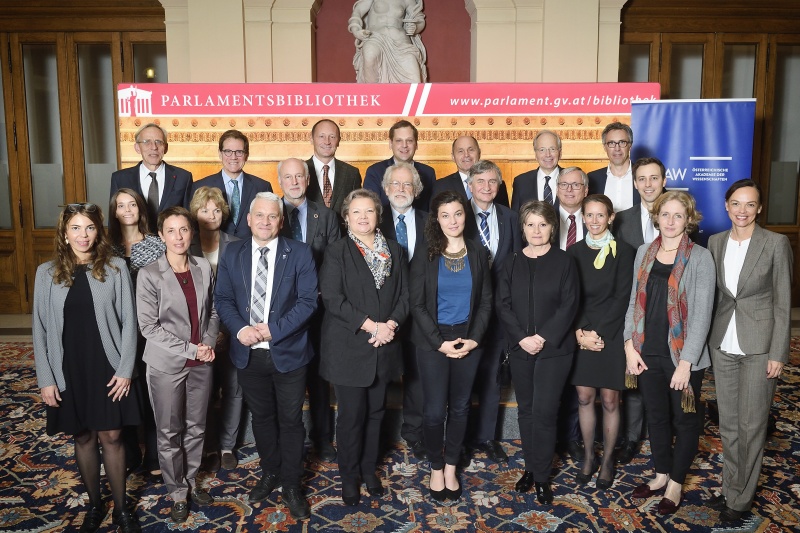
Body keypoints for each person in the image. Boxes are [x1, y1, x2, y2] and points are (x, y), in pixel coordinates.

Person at [33, 203, 141, 532]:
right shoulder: (46, 273)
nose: (83, 235)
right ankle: (95, 505)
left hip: (107, 365)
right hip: (68, 367)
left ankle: (122, 508)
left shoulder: (117, 268)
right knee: (82, 436)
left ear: (98, 231)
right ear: (65, 234)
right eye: (76, 228)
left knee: (112, 435)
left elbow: (129, 325)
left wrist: (125, 370)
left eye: (90, 228)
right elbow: (39, 329)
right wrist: (46, 378)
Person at [214, 192, 318, 521]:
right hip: (247, 353)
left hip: (288, 352)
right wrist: (239, 330)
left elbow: (307, 302)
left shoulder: (300, 252)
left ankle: (291, 484)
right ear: (248, 219)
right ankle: (270, 472)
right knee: (262, 419)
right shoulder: (233, 252)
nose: (265, 221)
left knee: (290, 421)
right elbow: (224, 298)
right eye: (259, 215)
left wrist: (274, 329)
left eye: (272, 216)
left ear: (281, 221)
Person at [706, 179, 792, 522]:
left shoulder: (775, 243)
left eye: (750, 204)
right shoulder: (715, 242)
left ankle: (741, 501)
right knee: (728, 424)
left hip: (760, 347)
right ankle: (730, 490)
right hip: (723, 344)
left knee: (752, 425)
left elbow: (784, 302)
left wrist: (778, 353)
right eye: (736, 204)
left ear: (759, 209)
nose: (743, 210)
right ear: (726, 206)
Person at [624, 191, 715, 515]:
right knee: (657, 416)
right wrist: (628, 347)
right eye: (666, 215)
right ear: (657, 217)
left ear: (689, 219)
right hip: (647, 353)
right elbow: (635, 302)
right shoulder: (645, 253)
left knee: (685, 420)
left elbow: (702, 315)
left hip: (682, 358)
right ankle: (661, 473)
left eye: (679, 215)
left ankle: (676, 482)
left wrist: (685, 365)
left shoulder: (700, 258)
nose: (671, 221)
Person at [320, 188, 409, 505]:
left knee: (376, 414)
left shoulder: (396, 251)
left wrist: (391, 325)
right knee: (351, 417)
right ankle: (349, 476)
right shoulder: (337, 251)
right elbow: (332, 299)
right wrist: (372, 326)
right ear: (346, 218)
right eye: (356, 212)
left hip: (384, 347)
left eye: (369, 211)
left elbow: (405, 296)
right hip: (350, 348)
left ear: (378, 216)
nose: (363, 217)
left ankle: (369, 470)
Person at [136, 206, 219, 523]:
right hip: (166, 365)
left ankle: (191, 481)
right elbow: (148, 327)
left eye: (184, 229)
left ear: (192, 232)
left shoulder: (202, 266)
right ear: (161, 235)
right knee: (170, 431)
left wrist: (208, 345)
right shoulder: (149, 274)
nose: (178, 236)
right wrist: (190, 349)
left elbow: (213, 312)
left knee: (197, 427)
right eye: (171, 230)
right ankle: (177, 493)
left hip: (202, 362)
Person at [410, 190, 492, 501]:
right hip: (433, 340)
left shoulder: (478, 252)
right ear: (436, 219)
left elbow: (486, 302)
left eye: (457, 213)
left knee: (459, 407)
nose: (452, 220)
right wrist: (439, 344)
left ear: (465, 215)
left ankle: (450, 466)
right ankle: (434, 465)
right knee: (433, 411)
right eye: (445, 215)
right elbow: (417, 305)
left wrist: (475, 339)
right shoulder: (425, 253)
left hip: (469, 338)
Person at [495, 201, 579, 505]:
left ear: (552, 227)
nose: (536, 230)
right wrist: (522, 338)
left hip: (554, 350)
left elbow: (569, 305)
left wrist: (542, 337)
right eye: (530, 224)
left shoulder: (564, 261)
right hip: (520, 349)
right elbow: (502, 305)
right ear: (523, 228)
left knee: (544, 412)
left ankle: (542, 477)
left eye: (542, 224)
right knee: (527, 411)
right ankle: (530, 468)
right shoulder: (511, 261)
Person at [567, 194, 635, 490]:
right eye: (589, 215)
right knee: (583, 398)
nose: (594, 221)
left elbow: (623, 298)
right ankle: (588, 458)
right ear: (583, 218)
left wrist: (600, 335)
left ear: (611, 218)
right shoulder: (574, 252)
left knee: (609, 399)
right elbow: (571, 297)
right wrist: (582, 333)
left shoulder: (625, 251)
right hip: (583, 335)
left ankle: (607, 460)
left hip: (611, 334)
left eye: (600, 215)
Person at [277, 157, 341, 463]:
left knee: (318, 376)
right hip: (278, 312)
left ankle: (322, 440)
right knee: (285, 376)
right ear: (280, 182)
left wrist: (319, 293)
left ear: (308, 179)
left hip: (316, 307)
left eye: (298, 176)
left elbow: (335, 259)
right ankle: (286, 441)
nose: (294, 182)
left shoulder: (325, 215)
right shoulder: (268, 213)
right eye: (287, 177)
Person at [463, 160, 522, 464]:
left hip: (499, 311)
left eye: (492, 182)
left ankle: (487, 437)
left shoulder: (512, 218)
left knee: (492, 376)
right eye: (480, 181)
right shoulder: (456, 215)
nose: (486, 187)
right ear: (469, 185)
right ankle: (459, 438)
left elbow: (514, 264)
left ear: (499, 186)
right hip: (464, 312)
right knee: (461, 376)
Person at [612, 156, 667, 464]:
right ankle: (632, 437)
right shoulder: (623, 220)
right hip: (634, 309)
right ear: (635, 184)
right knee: (633, 375)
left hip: (670, 313)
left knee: (666, 373)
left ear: (664, 180)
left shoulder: (679, 215)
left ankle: (664, 433)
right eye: (642, 179)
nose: (648, 184)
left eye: (654, 178)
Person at [108, 188, 165, 481]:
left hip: (149, 329)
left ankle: (154, 454)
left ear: (140, 209)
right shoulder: (106, 246)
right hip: (115, 331)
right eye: (121, 205)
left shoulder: (155, 245)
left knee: (152, 393)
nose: (127, 209)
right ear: (114, 211)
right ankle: (130, 453)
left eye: (132, 204)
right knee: (123, 391)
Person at [188, 187, 242, 473]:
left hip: (233, 329)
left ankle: (227, 446)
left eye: (217, 210)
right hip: (197, 333)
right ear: (195, 213)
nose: (211, 215)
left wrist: (225, 328)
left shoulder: (236, 244)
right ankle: (207, 445)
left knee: (233, 388)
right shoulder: (186, 243)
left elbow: (240, 292)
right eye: (205, 210)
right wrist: (209, 333)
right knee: (203, 391)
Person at [379, 162, 428, 460]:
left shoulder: (431, 221)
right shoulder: (374, 220)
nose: (401, 189)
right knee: (381, 371)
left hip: (422, 311)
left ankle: (414, 431)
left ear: (417, 190)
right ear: (385, 190)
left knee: (418, 375)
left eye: (407, 185)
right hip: (383, 313)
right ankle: (380, 433)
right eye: (395, 185)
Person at [190, 129, 273, 239]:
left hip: (251, 251)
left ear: (246, 155)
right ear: (220, 154)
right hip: (213, 250)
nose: (233, 157)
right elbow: (192, 225)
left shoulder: (262, 186)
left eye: (239, 152)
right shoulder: (200, 186)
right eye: (228, 151)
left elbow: (271, 223)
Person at [110, 123, 192, 233]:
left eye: (158, 142)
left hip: (172, 246)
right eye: (146, 142)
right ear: (137, 148)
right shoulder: (120, 178)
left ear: (166, 148)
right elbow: (114, 220)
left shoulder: (183, 177)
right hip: (134, 246)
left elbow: (189, 220)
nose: (153, 147)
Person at [349, 0, 427, 83]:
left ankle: (410, 95)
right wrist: (356, 30)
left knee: (413, 73)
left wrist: (415, 28)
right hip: (376, 38)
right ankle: (372, 92)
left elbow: (419, 20)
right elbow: (358, 12)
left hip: (400, 42)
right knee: (369, 53)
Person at [364, 120, 435, 210]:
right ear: (390, 143)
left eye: (409, 141)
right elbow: (370, 209)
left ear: (416, 144)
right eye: (399, 141)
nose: (404, 145)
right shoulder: (375, 172)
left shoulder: (428, 173)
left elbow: (431, 210)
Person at [305, 119, 363, 217]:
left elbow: (357, 209)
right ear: (311, 139)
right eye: (321, 136)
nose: (327, 142)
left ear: (339, 140)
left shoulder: (351, 173)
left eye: (332, 137)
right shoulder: (300, 170)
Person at [431, 135, 509, 208]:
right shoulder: (440, 187)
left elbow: (505, 217)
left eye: (471, 150)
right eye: (460, 151)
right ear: (453, 157)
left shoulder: (497, 185)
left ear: (479, 153)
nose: (466, 155)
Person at [587, 122, 638, 212]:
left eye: (622, 142)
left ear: (630, 145)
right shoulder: (592, 179)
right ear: (604, 147)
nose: (617, 148)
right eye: (611, 143)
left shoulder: (643, 176)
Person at [510, 130, 563, 212]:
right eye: (542, 150)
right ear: (535, 154)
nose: (548, 154)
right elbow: (515, 218)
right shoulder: (521, 182)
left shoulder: (572, 178)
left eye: (552, 149)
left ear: (560, 153)